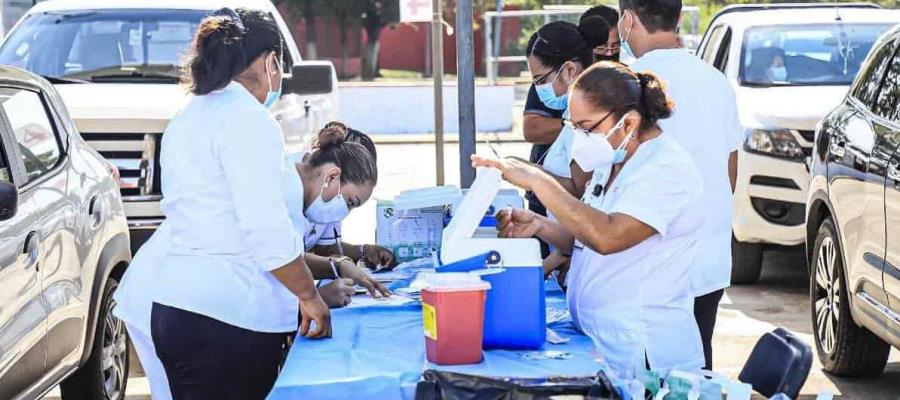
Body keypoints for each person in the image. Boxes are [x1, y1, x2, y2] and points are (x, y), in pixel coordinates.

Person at [110, 8, 344, 399]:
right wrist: (309, 295)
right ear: (271, 61)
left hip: (176, 306)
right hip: (226, 316)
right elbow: (264, 229)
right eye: (279, 70)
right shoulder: (247, 120)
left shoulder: (191, 114)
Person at [473, 62, 705, 374]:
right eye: (573, 127)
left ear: (628, 123)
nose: (579, 137)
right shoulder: (612, 160)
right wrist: (540, 226)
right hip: (602, 340)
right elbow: (586, 237)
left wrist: (538, 182)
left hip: (642, 348)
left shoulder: (666, 169)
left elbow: (609, 237)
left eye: (586, 127)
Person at [618, 0, 743, 371]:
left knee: (643, 378)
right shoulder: (716, 80)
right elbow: (730, 168)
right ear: (677, 18)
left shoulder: (625, 82)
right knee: (695, 374)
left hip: (645, 264)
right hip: (708, 259)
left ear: (627, 20)